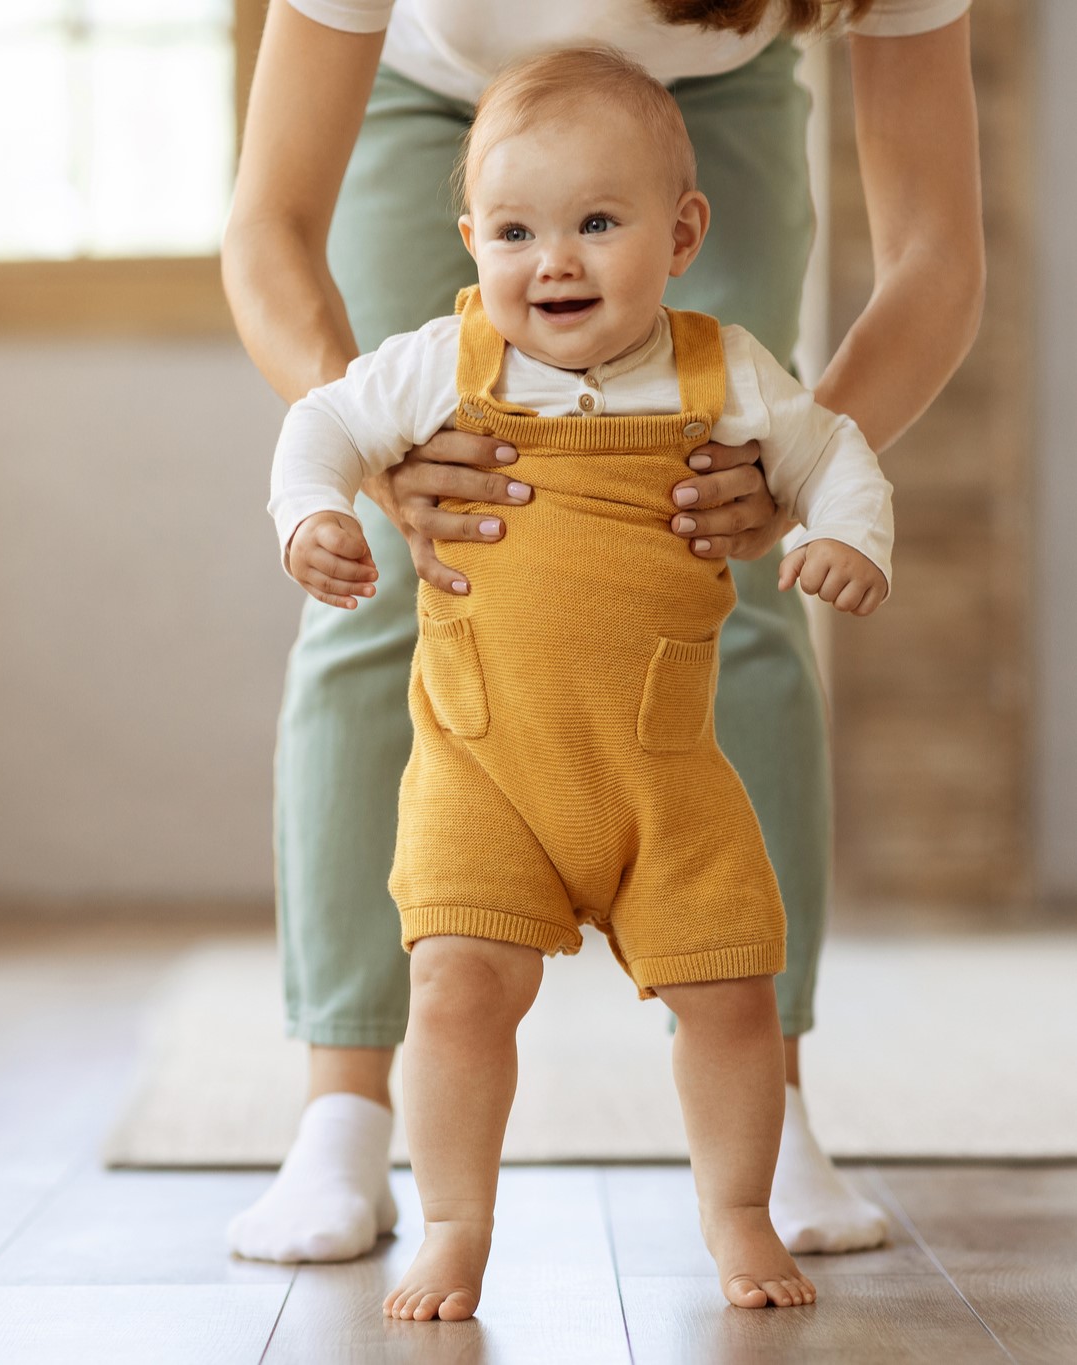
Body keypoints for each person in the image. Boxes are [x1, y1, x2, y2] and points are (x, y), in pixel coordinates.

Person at [223, 0, 981, 1268]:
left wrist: (795, 484)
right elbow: (269, 225)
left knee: (719, 555)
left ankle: (768, 1103)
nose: (558, 261)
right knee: (393, 586)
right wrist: (364, 477)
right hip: (425, 98)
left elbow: (935, 257)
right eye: (520, 242)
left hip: (712, 92)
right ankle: (344, 1110)